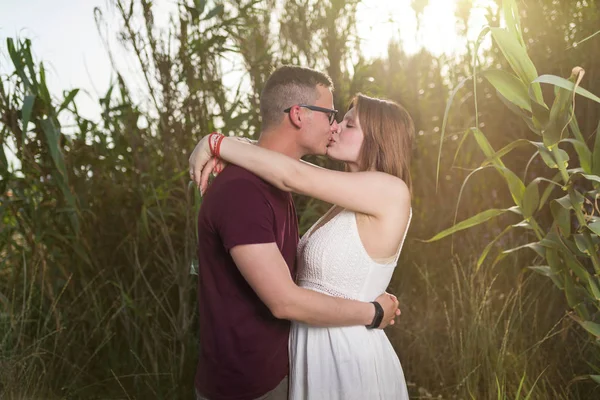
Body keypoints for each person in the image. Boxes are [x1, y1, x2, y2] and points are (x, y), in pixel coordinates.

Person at [190, 66, 402, 400]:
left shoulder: (387, 191)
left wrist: (218, 143)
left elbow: (291, 173)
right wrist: (223, 145)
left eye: (348, 123)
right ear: (299, 115)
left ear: (378, 137)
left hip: (340, 355)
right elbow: (288, 170)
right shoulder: (250, 190)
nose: (335, 127)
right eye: (334, 115)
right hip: (265, 376)